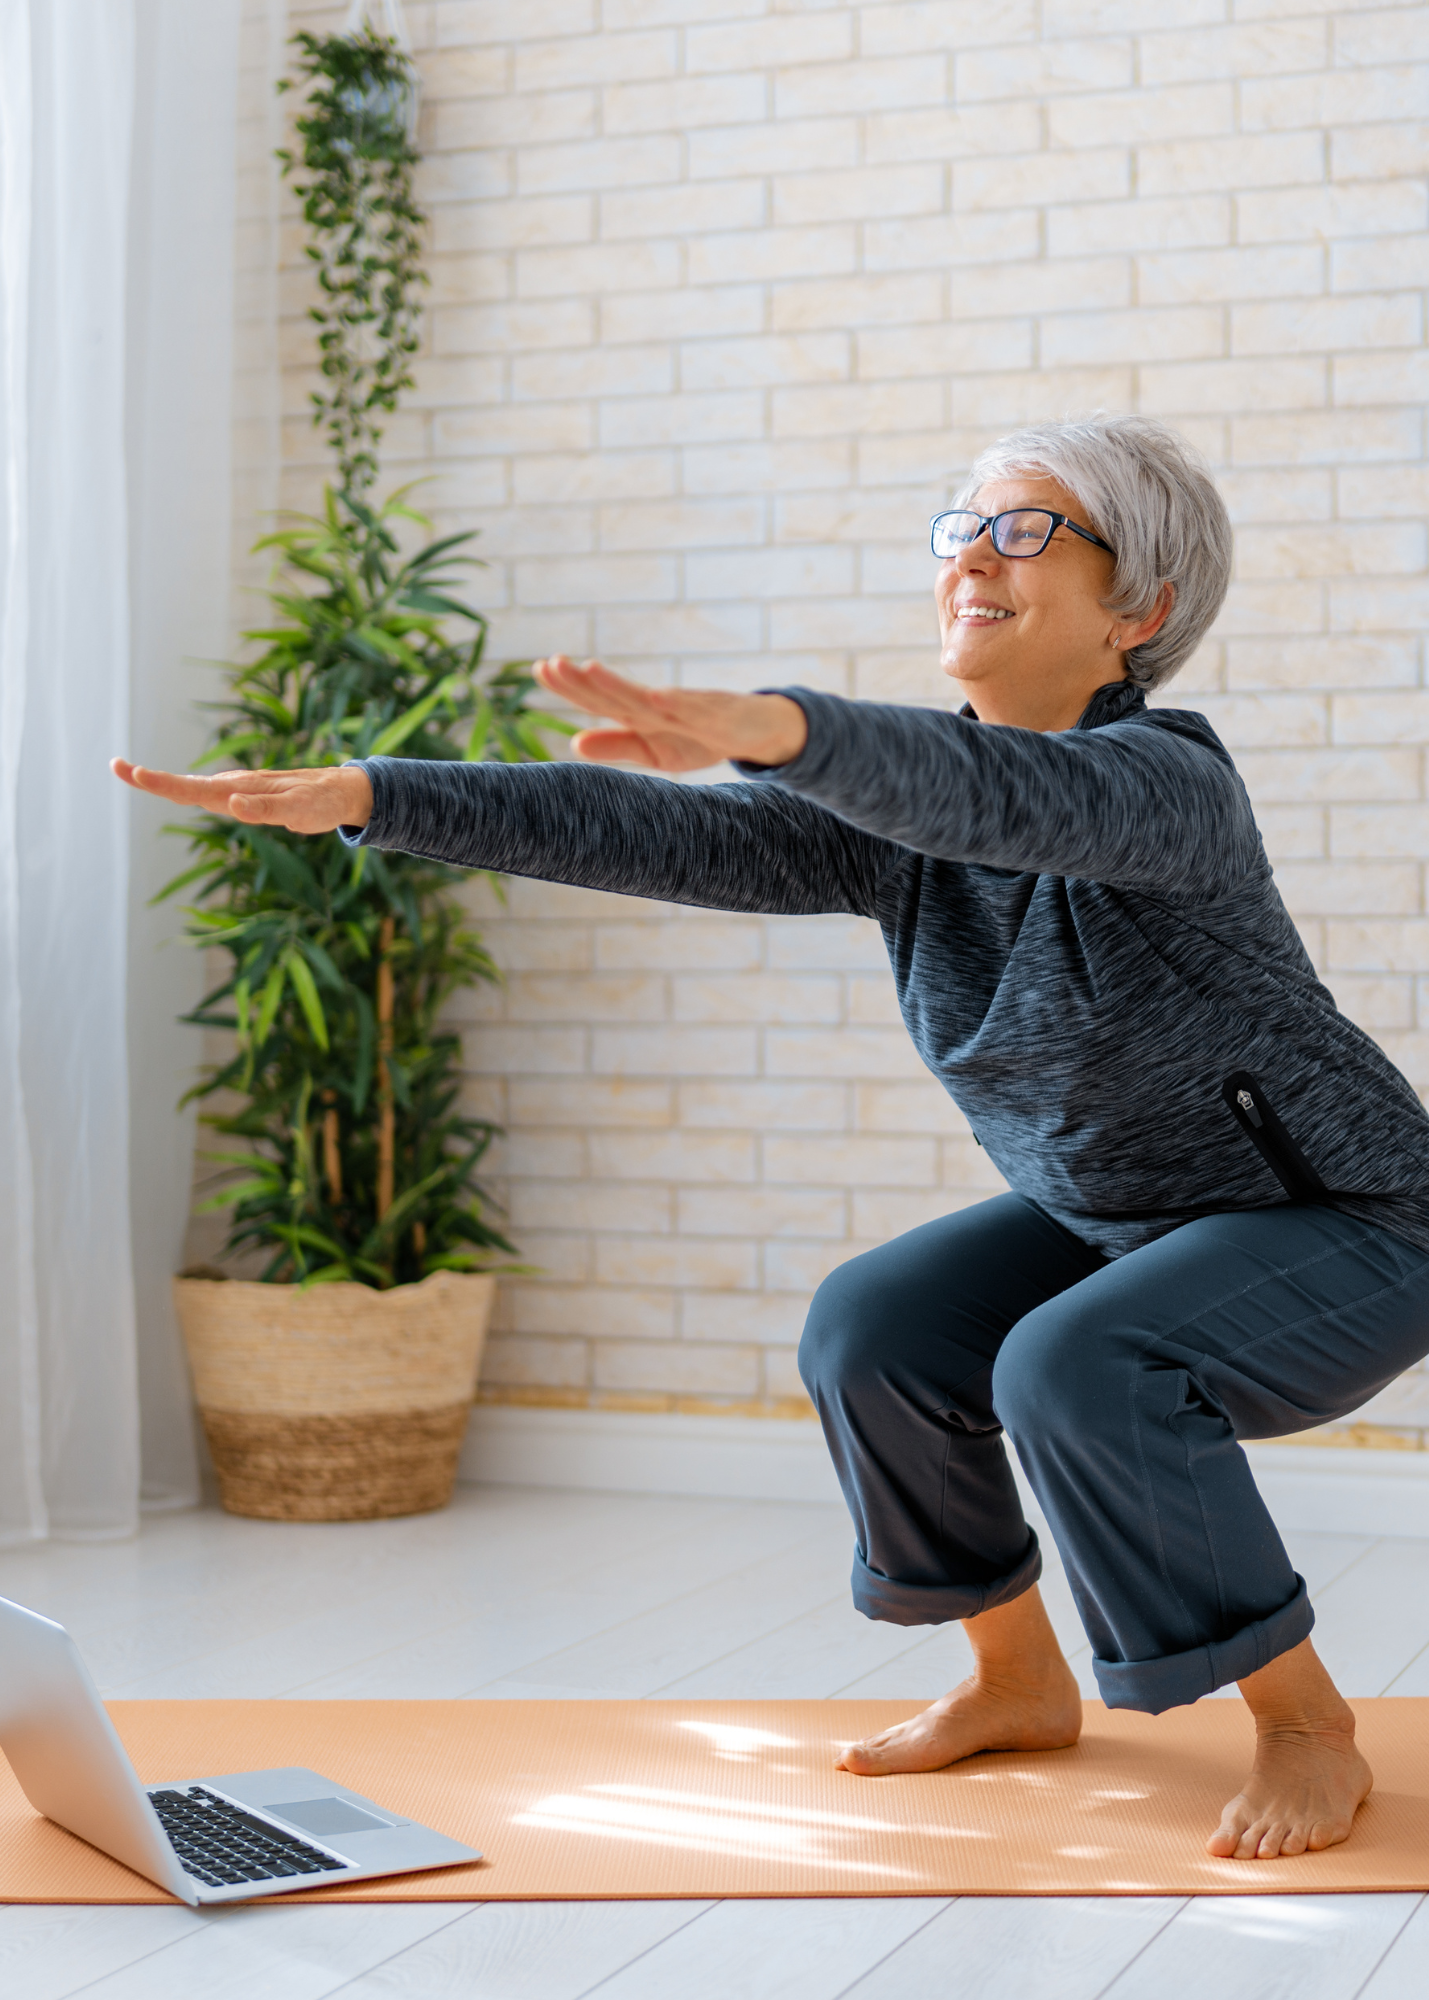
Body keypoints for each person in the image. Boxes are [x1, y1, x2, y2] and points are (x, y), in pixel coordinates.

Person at [116, 413, 1429, 1863]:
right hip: (1127, 1213)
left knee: (1075, 1362)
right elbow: (663, 832)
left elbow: (991, 789)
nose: (973, 558)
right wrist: (379, 794)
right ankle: (1013, 1678)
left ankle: (1308, 1725)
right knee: (872, 1327)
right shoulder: (903, 826)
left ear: (1144, 609)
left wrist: (781, 729)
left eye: (1026, 530)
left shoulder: (1167, 787)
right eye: (962, 529)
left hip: (1355, 1222)